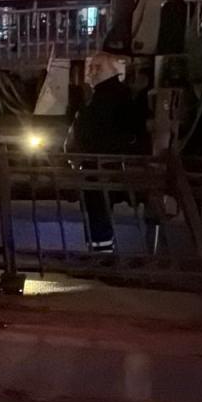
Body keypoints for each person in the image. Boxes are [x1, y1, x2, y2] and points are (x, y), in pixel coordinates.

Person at [66, 52, 149, 253]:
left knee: (98, 211)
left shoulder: (109, 98)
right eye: (91, 67)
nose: (92, 72)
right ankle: (101, 253)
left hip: (101, 166)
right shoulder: (107, 95)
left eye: (98, 67)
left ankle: (101, 255)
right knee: (97, 212)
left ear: (114, 70)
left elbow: (99, 130)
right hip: (99, 165)